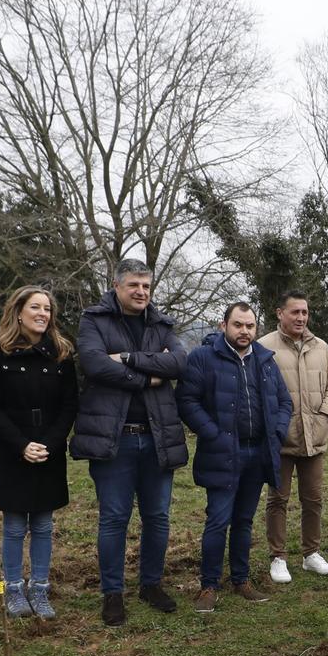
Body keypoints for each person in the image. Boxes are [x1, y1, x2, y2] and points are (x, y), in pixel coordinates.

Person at [72, 260, 188, 626]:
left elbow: (180, 363)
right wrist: (148, 377)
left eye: (146, 286)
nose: (141, 292)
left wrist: (125, 359)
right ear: (117, 286)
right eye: (134, 285)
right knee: (114, 519)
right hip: (114, 439)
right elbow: (93, 364)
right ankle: (112, 593)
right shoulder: (94, 320)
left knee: (157, 517)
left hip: (158, 437)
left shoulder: (161, 324)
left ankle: (150, 584)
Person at [177, 302, 293, 611]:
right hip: (221, 452)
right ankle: (208, 586)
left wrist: (278, 432)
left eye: (250, 326)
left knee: (243, 520)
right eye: (238, 325)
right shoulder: (203, 358)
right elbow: (187, 401)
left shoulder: (265, 360)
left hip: (258, 453)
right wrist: (212, 433)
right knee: (218, 520)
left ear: (256, 328)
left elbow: (284, 401)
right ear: (223, 325)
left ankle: (241, 580)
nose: (244, 331)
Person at [0, 286, 79, 620]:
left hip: (48, 449)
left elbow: (69, 404)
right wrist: (21, 445)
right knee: (15, 526)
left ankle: (40, 590)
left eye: (47, 309)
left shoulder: (61, 353)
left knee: (45, 525)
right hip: (10, 450)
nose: (42, 314)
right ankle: (13, 591)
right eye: (35, 307)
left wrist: (49, 442)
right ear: (18, 311)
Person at [258, 290, 328, 584]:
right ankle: (278, 557)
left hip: (314, 439)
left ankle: (311, 554)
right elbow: (256, 392)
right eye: (295, 312)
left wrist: (324, 417)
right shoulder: (264, 347)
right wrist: (272, 425)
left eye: (305, 312)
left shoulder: (321, 347)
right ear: (280, 313)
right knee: (278, 499)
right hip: (280, 441)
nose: (301, 317)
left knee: (314, 499)